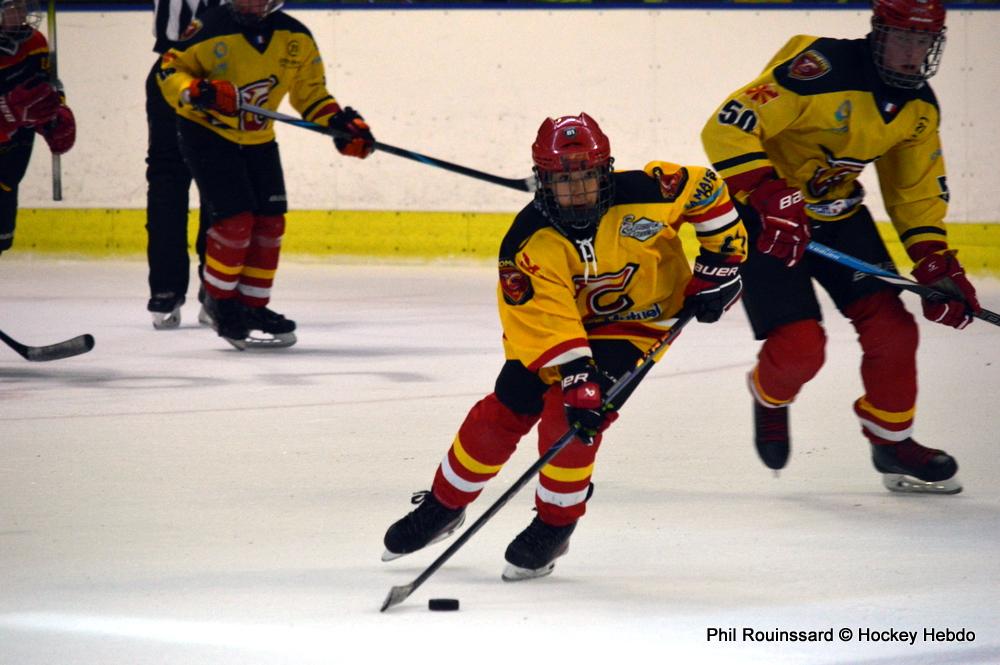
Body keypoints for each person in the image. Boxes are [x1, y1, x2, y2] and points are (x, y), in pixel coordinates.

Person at [382, 113, 747, 580]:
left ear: (605, 172)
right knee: (505, 409)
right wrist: (577, 373)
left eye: (586, 177)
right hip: (559, 331)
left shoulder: (649, 192)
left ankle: (556, 525)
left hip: (640, 323)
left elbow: (706, 189)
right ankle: (444, 505)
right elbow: (543, 319)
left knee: (568, 421)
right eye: (563, 180)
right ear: (543, 180)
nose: (576, 191)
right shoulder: (527, 242)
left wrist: (721, 263)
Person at [700, 0, 979, 494]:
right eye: (903, 39)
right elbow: (727, 123)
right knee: (800, 347)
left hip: (839, 215)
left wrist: (934, 261)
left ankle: (891, 441)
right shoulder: (821, 70)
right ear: (878, 33)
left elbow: (915, 190)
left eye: (923, 42)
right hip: (766, 218)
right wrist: (765, 190)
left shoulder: (918, 109)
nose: (911, 53)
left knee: (894, 330)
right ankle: (769, 397)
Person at [157, 0, 374, 349]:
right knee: (235, 222)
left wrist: (340, 124)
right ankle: (220, 302)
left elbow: (311, 95)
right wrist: (196, 90)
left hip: (259, 138)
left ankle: (253, 306)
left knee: (271, 222)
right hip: (208, 134)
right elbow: (169, 69)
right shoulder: (208, 26)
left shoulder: (295, 36)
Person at [145, 0, 222, 330]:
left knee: (221, 183)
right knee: (167, 183)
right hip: (171, 73)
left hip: (224, 76)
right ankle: (166, 288)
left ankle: (217, 287)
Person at [0, 0, 74, 257]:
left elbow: (47, 86)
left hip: (16, 143)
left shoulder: (35, 42)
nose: (21, 14)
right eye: (12, 8)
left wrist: (55, 115)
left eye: (22, 6)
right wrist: (6, 111)